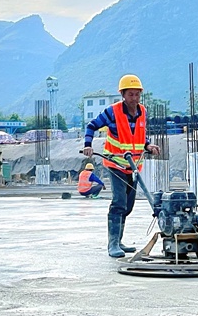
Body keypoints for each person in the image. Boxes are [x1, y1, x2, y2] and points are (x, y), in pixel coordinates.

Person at [83, 74, 160, 258]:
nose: (134, 99)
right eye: (131, 95)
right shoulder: (113, 112)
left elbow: (139, 136)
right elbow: (91, 126)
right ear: (123, 95)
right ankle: (113, 244)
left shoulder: (142, 111)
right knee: (118, 202)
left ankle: (119, 240)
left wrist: (148, 145)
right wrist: (88, 145)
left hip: (134, 166)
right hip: (116, 163)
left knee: (128, 205)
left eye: (137, 95)